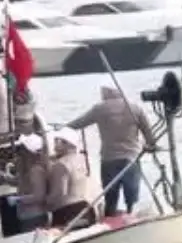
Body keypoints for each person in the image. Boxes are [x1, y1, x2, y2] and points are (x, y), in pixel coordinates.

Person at [65, 84, 157, 216]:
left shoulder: (100, 109)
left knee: (110, 198)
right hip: (131, 159)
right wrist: (150, 146)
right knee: (131, 199)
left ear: (106, 93)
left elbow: (78, 123)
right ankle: (131, 215)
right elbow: (150, 137)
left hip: (109, 159)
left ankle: (111, 218)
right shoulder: (135, 109)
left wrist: (59, 129)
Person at [44, 129, 92, 228]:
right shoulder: (83, 159)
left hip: (67, 213)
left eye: (57, 140)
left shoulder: (61, 164)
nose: (54, 144)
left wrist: (44, 203)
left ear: (67, 143)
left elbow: (59, 193)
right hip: (86, 209)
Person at [12, 133, 48, 232]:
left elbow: (39, 196)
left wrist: (17, 199)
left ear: (28, 151)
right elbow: (15, 181)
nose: (18, 153)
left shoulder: (35, 170)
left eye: (21, 149)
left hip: (35, 217)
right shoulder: (27, 170)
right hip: (27, 218)